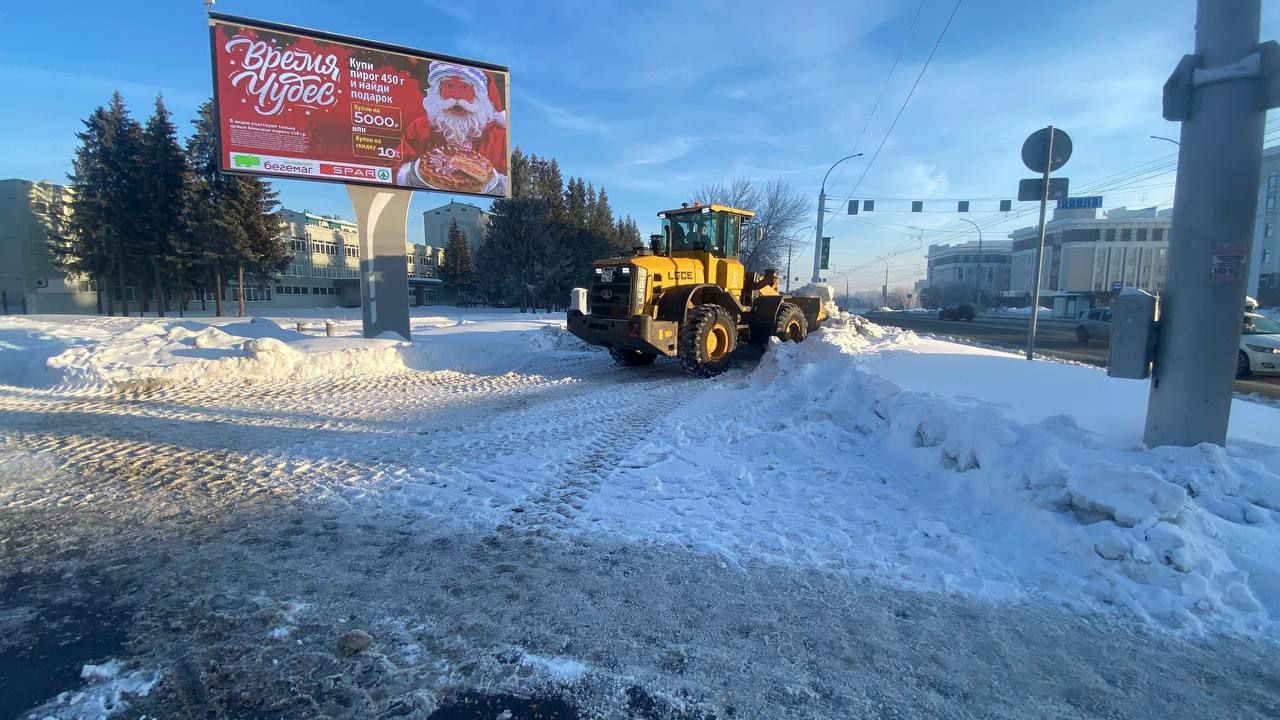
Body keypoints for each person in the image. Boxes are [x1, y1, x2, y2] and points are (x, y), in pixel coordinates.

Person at [395, 62, 508, 194]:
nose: (456, 95)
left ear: (478, 94)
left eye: (464, 87)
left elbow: (511, 179)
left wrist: (498, 188)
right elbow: (394, 162)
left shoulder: (500, 136)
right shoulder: (419, 128)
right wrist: (409, 178)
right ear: (438, 91)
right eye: (448, 86)